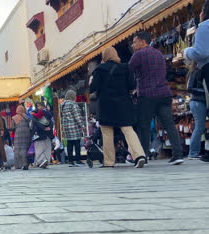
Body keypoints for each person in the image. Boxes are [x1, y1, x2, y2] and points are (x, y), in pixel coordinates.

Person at [129, 31, 184, 165]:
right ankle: (178, 154)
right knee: (169, 124)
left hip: (147, 95)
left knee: (144, 126)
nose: (133, 45)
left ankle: (143, 156)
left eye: (135, 42)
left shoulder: (138, 55)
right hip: (164, 93)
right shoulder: (159, 54)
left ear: (143, 42)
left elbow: (128, 70)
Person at [89, 47, 146, 168]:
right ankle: (139, 155)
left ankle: (109, 162)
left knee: (107, 132)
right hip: (123, 104)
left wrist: (91, 81)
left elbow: (93, 88)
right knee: (128, 130)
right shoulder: (125, 68)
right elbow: (132, 85)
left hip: (106, 105)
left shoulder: (99, 69)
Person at [185, 1, 209, 162]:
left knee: (199, 126)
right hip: (198, 101)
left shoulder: (204, 27)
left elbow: (201, 52)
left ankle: (193, 152)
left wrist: (186, 51)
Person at [61, 90, 86, 167]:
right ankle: (78, 160)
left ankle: (70, 161)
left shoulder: (63, 104)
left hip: (67, 127)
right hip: (74, 126)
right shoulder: (73, 104)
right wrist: (82, 125)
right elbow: (77, 116)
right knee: (77, 143)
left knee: (70, 143)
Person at [31, 102, 54, 169]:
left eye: (39, 106)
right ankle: (41, 161)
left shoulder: (45, 114)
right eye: (38, 106)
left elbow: (50, 121)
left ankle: (43, 161)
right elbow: (36, 123)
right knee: (41, 148)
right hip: (41, 134)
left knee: (44, 148)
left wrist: (47, 128)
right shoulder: (36, 115)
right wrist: (46, 128)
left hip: (44, 134)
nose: (39, 107)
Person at [12, 105, 31, 170]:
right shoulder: (26, 117)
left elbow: (12, 127)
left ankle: (18, 165)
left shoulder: (14, 118)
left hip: (18, 134)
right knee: (24, 149)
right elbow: (30, 124)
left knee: (17, 150)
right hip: (27, 134)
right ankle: (25, 164)